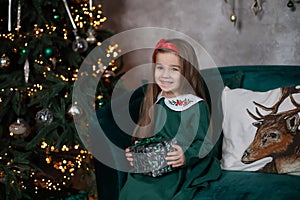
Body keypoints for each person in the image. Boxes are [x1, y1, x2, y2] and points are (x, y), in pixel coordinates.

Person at [119, 38, 221, 200]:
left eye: (174, 69)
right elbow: (153, 136)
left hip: (182, 164)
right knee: (132, 187)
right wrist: (140, 149)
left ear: (187, 72)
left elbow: (205, 144)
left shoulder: (195, 105)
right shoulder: (157, 100)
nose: (165, 75)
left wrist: (186, 156)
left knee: (154, 193)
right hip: (157, 162)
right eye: (160, 68)